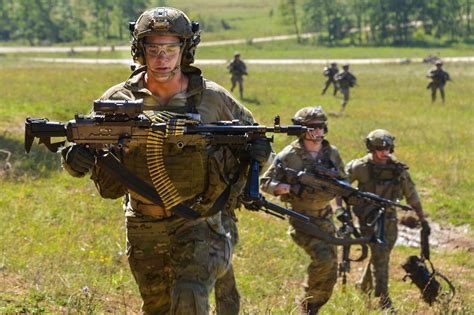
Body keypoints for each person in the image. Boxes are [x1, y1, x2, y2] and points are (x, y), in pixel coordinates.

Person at [60, 7, 271, 314]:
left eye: (170, 49)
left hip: (198, 221)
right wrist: (74, 159)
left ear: (185, 50)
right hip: (144, 224)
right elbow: (81, 146)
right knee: (156, 307)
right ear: (139, 50)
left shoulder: (213, 99)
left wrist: (259, 158)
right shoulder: (119, 100)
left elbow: (255, 143)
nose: (161, 58)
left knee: (189, 296)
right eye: (153, 49)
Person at [260, 106, 346, 314]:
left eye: (322, 127)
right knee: (323, 260)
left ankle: (315, 305)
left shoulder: (331, 154)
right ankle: (307, 306)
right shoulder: (289, 155)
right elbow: (265, 182)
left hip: (325, 217)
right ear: (302, 129)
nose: (319, 131)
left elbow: (343, 184)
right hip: (301, 219)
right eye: (313, 127)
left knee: (332, 268)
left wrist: (344, 208)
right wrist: (283, 188)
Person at [345, 129, 428, 310]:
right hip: (369, 219)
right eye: (379, 148)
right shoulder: (360, 167)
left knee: (380, 255)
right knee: (380, 256)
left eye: (388, 148)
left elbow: (411, 195)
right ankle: (384, 301)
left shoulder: (397, 170)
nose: (384, 152)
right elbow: (341, 186)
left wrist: (422, 219)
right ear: (370, 148)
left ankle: (364, 286)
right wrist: (343, 212)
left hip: (390, 219)